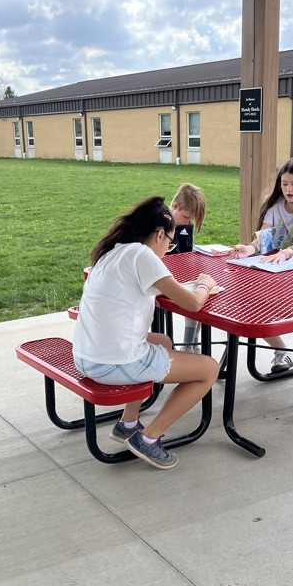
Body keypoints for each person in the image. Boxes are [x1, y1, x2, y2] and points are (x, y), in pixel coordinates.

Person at [72, 196, 220, 470]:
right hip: (113, 363)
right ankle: (149, 439)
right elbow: (193, 303)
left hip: (85, 354)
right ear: (160, 234)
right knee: (209, 369)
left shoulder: (113, 252)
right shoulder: (142, 255)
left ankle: (127, 424)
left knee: (162, 340)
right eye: (170, 242)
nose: (169, 248)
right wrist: (205, 283)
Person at [228, 156, 293, 372]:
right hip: (273, 269)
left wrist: (289, 251)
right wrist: (251, 248)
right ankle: (282, 351)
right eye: (284, 184)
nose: (288, 190)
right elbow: (264, 238)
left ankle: (281, 352)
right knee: (244, 299)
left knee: (254, 304)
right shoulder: (273, 203)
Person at [166, 182, 206, 352]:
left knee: (202, 293)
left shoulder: (185, 226)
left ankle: (192, 343)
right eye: (185, 217)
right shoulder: (160, 226)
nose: (186, 222)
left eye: (190, 219)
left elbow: (187, 252)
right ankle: (188, 346)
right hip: (164, 278)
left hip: (180, 274)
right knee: (194, 297)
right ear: (174, 206)